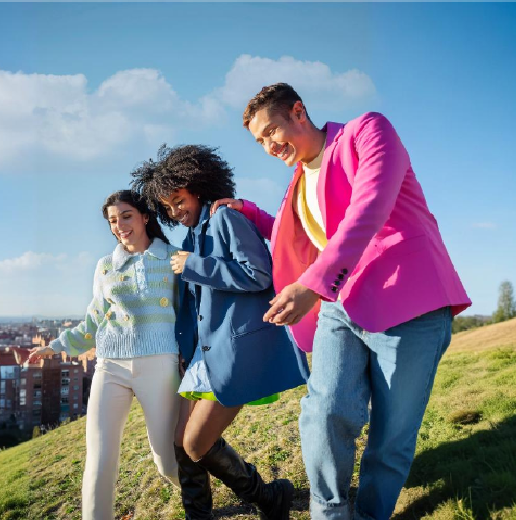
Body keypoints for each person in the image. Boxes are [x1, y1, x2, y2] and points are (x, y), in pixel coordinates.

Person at [212, 83, 471, 519]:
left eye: (271, 131)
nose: (269, 146)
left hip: (409, 301)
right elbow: (306, 235)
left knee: (390, 439)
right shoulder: (297, 183)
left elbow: (368, 207)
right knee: (324, 411)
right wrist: (252, 213)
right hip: (340, 303)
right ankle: (329, 513)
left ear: (298, 112)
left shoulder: (367, 131)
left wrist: (312, 285)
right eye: (259, 141)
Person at [131, 144, 310, 520]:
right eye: (168, 208)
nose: (176, 212)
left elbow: (259, 274)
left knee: (196, 444)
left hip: (234, 353)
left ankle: (270, 495)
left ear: (197, 186)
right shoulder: (193, 235)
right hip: (202, 356)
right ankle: (208, 513)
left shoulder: (225, 219)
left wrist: (195, 265)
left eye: (178, 201)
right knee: (181, 442)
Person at [29, 190, 184, 520]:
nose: (119, 225)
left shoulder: (172, 258)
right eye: (113, 221)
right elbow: (93, 319)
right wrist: (55, 346)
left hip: (160, 364)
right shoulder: (104, 267)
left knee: (166, 459)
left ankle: (198, 494)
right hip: (110, 366)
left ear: (145, 216)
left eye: (126, 216)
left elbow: (190, 314)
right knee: (99, 461)